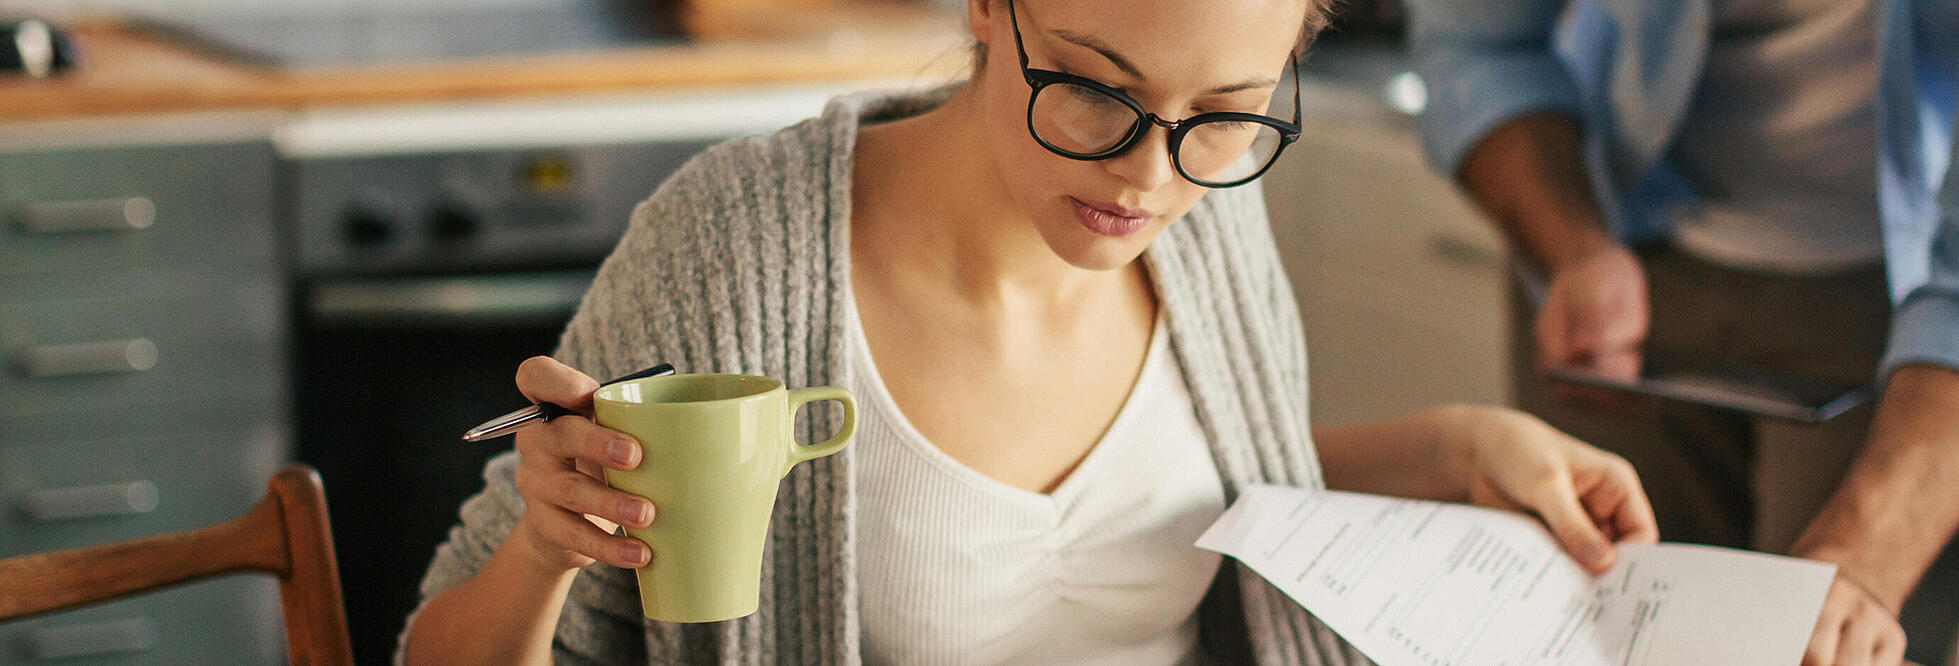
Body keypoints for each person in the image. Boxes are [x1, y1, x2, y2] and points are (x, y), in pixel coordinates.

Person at [396, 0, 1660, 663]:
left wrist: (1454, 445)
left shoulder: (1212, 215)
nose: (1147, 180)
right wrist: (550, 548)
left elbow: (1189, 486)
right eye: (1099, 90)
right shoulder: (738, 249)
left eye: (1224, 111)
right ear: (989, 5)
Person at [1403, 0, 1959, 664]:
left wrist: (1865, 564)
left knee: (1829, 631)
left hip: (1897, 307)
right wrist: (1573, 249)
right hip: (1619, 235)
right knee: (1594, 623)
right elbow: (1475, 44)